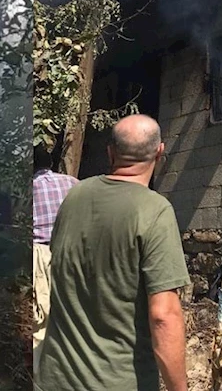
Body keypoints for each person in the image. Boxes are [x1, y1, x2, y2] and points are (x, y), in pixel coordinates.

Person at [36, 114, 190, 391]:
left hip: (54, 378)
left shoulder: (74, 197)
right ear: (159, 152)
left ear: (110, 152)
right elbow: (163, 315)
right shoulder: (155, 211)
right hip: (117, 382)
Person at [33, 145, 78, 375]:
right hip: (73, 253)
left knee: (41, 320)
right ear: (49, 163)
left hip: (40, 254)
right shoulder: (72, 183)